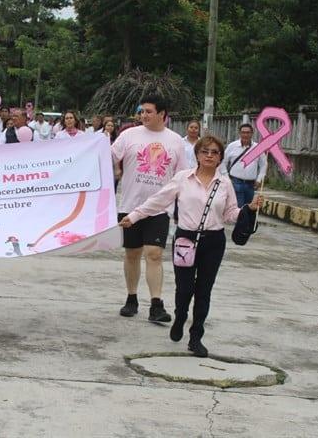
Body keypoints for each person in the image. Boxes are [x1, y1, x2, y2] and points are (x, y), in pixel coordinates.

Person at [120, 135, 263, 357]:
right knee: (184, 288)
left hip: (214, 242)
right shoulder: (182, 178)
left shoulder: (224, 183)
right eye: (205, 151)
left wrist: (249, 209)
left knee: (204, 291)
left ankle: (196, 336)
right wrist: (135, 216)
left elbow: (230, 213)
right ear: (196, 154)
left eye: (214, 152)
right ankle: (180, 318)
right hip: (185, 240)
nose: (209, 156)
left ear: (220, 158)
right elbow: (158, 200)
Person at [111, 95, 188, 322]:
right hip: (129, 206)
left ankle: (156, 304)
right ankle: (131, 298)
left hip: (158, 209)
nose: (143, 115)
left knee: (154, 254)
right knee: (132, 254)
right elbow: (108, 156)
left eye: (148, 111)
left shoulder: (175, 141)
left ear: (162, 114)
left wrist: (181, 208)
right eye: (141, 111)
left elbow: (181, 176)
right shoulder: (128, 135)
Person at [222, 123, 267, 207]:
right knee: (238, 210)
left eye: (248, 132)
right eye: (243, 132)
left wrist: (259, 179)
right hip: (235, 183)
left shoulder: (258, 148)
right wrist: (226, 178)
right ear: (239, 133)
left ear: (252, 133)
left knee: (248, 209)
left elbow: (264, 165)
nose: (245, 135)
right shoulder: (232, 146)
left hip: (251, 185)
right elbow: (223, 162)